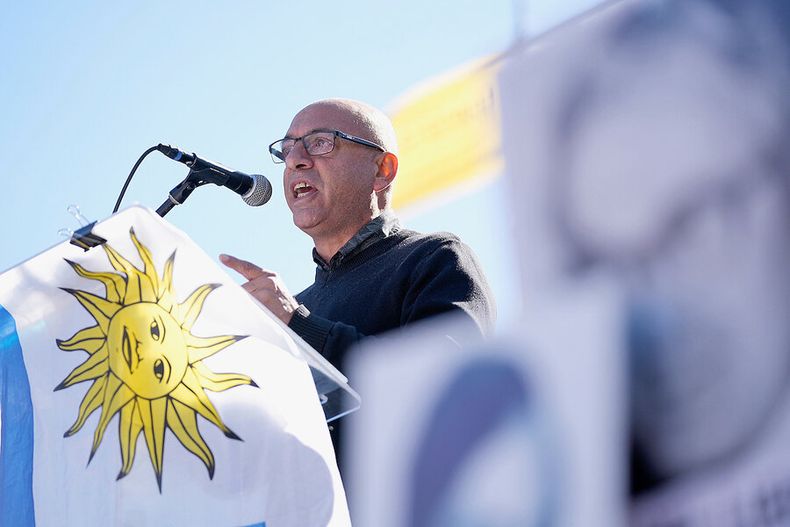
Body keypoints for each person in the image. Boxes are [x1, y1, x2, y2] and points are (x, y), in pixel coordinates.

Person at [219, 98, 496, 465]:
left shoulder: (434, 258)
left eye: (320, 142)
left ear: (382, 169)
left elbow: (448, 393)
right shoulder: (286, 313)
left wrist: (299, 325)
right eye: (286, 150)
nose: (295, 159)